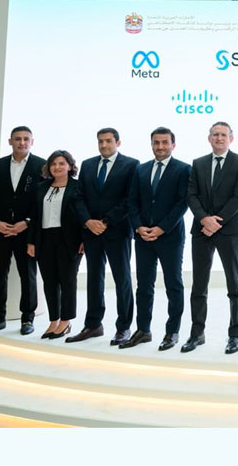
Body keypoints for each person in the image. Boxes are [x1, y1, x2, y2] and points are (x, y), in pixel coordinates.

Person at [183, 122, 238, 355]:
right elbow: (191, 195)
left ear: (231, 138)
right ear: (209, 138)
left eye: (223, 135)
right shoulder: (198, 163)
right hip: (201, 230)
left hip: (228, 230)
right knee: (199, 285)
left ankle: (234, 335)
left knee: (235, 285)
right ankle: (197, 333)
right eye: (215, 134)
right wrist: (204, 219)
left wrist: (216, 222)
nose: (219, 138)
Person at [121, 127, 190, 351]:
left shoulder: (184, 169)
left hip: (169, 236)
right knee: (143, 285)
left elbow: (182, 203)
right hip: (143, 237)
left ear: (173, 145)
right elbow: (132, 201)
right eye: (156, 142)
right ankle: (143, 330)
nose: (160, 146)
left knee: (173, 284)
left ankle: (172, 331)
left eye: (164, 142)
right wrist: (138, 227)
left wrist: (161, 228)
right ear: (151, 144)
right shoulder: (141, 169)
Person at [67, 128, 139, 345]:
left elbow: (130, 199)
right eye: (100, 141)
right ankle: (93, 325)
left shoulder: (131, 164)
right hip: (91, 232)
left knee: (122, 279)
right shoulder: (88, 164)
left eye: (108, 141)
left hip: (117, 231)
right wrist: (88, 221)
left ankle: (124, 327)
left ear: (118, 142)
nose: (104, 145)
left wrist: (106, 221)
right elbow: (78, 197)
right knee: (94, 278)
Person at [0, 126, 45, 337]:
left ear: (32, 142)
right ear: (10, 141)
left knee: (28, 276)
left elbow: (42, 200)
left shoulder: (42, 166)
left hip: (27, 232)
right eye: (17, 139)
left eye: (26, 139)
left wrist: (27, 222)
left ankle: (27, 319)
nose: (22, 142)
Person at [27, 150, 84, 339]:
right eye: (53, 164)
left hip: (69, 240)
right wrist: (31, 241)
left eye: (61, 163)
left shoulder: (78, 186)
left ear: (70, 166)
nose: (57, 167)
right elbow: (34, 216)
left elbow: (84, 214)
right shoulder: (41, 187)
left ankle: (66, 321)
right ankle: (54, 320)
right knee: (49, 282)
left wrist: (84, 240)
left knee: (67, 281)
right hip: (44, 238)